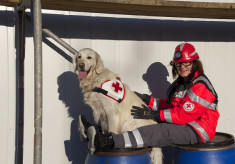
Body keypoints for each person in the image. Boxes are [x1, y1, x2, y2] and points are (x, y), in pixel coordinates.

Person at [78, 42, 220, 152]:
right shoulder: (182, 84)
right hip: (184, 125)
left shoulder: (200, 85)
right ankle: (94, 132)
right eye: (178, 64)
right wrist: (145, 99)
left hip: (197, 130)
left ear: (194, 63)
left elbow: (183, 115)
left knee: (160, 130)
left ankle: (107, 141)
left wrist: (154, 115)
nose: (182, 67)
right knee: (148, 123)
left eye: (186, 63)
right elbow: (170, 106)